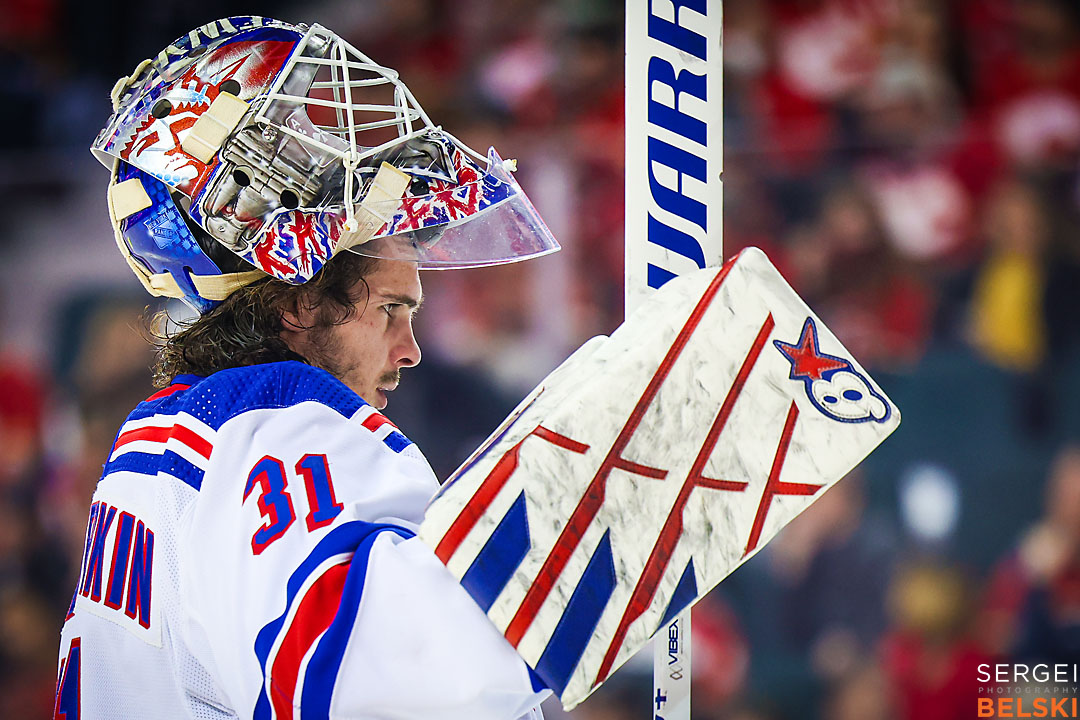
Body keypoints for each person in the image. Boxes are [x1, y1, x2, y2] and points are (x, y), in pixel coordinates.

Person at [56, 16, 560, 719]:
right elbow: (407, 680)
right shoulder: (272, 426)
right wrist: (597, 496)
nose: (410, 349)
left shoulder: (169, 439)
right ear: (296, 305)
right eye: (389, 308)